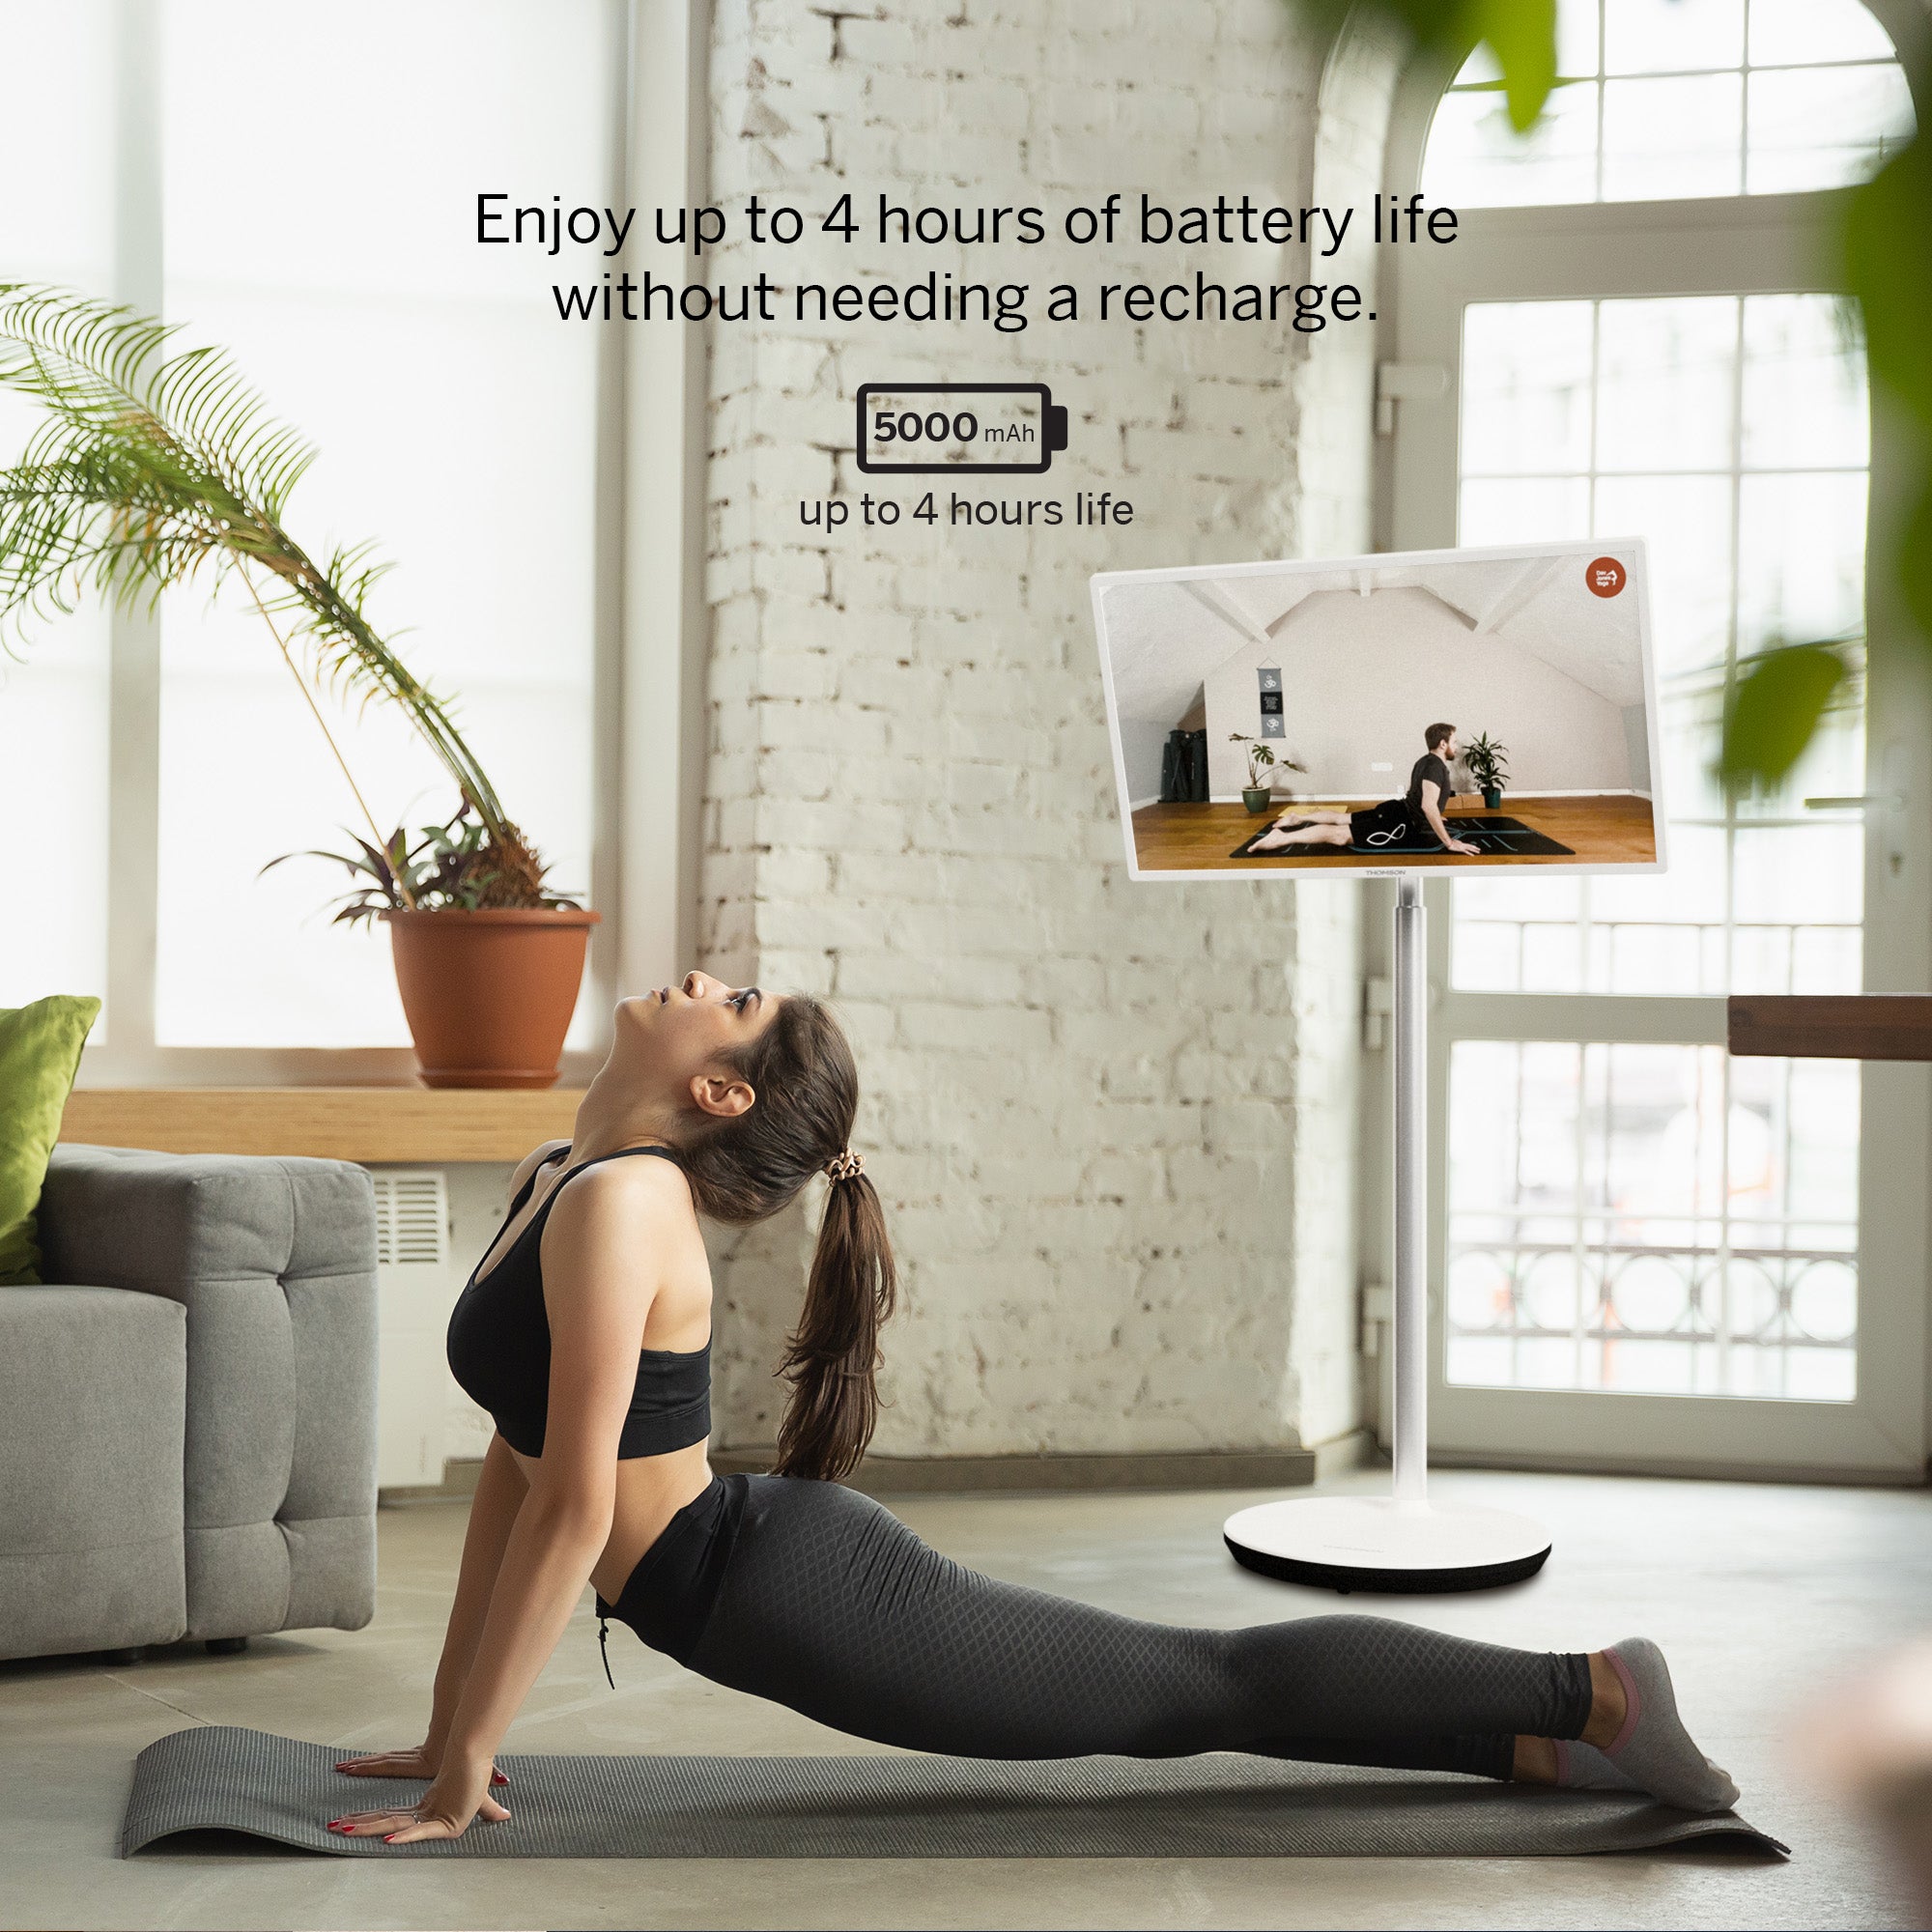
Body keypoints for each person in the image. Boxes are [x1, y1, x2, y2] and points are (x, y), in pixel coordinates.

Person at [325, 972, 1738, 1843]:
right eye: (737, 988)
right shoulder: (555, 1177)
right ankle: (1533, 1741)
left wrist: (469, 1774)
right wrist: (454, 1730)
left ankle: (1598, 1690)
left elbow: (577, 1509)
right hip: (754, 1576)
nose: (702, 974)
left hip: (793, 1589)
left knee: (1195, 1691)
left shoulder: (626, 1206)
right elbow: (518, 1475)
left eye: (735, 996)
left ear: (714, 1087)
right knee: (1188, 1694)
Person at [1247, 723, 1481, 857]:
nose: (1456, 746)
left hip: (1396, 810)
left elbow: (1422, 798)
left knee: (1343, 818)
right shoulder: (1436, 767)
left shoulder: (1424, 761)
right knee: (1339, 835)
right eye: (1455, 742)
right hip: (1400, 823)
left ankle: (1298, 818)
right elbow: (1427, 805)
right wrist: (1450, 843)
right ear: (1443, 744)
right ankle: (1282, 837)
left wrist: (1436, 813)